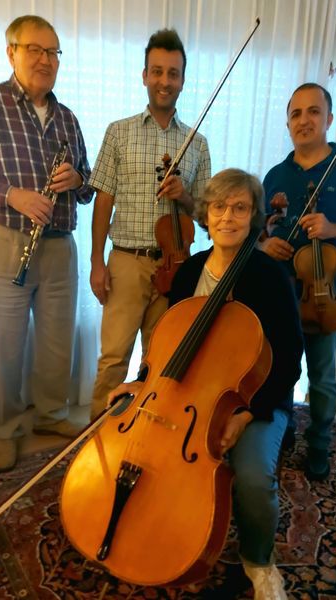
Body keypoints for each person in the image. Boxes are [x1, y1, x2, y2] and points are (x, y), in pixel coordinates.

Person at [109, 169, 303, 600]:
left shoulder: (270, 276)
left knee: (253, 477)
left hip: (253, 396)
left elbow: (290, 359)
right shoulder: (190, 271)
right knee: (135, 439)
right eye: (219, 207)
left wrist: (249, 413)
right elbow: (169, 340)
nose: (227, 217)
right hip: (187, 391)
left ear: (253, 217)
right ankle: (157, 525)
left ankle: (259, 561)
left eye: (240, 208)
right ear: (206, 215)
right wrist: (142, 382)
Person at [0, 15, 93, 471]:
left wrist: (77, 180)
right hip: (3, 240)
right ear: (12, 52)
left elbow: (88, 185)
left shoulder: (68, 118)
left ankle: (51, 414)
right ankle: (4, 429)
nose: (46, 60)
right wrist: (11, 195)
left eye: (53, 52)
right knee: (1, 346)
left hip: (59, 245)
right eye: (35, 49)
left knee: (56, 343)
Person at [88, 28, 211, 419]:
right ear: (144, 75)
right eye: (157, 71)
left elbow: (206, 214)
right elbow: (103, 199)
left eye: (173, 73)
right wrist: (96, 261)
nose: (164, 81)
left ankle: (146, 436)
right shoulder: (118, 131)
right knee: (113, 358)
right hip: (127, 260)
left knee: (161, 361)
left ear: (183, 80)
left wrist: (184, 196)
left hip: (176, 267)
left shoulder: (197, 143)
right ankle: (99, 438)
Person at [261, 83, 336, 481]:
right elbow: (261, 228)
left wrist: (334, 229)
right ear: (288, 123)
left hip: (324, 295)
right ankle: (281, 433)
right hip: (280, 294)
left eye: (313, 111)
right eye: (296, 113)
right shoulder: (276, 175)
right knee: (279, 371)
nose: (304, 120)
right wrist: (266, 243)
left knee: (323, 379)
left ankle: (320, 446)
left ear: (328, 118)